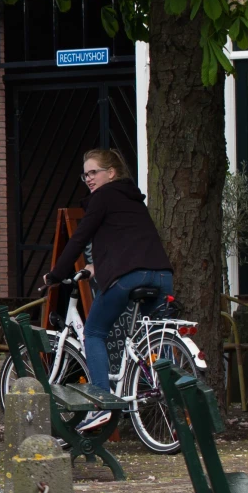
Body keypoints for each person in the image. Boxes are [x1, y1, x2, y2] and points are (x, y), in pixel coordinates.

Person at [47, 147, 175, 398]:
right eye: (85, 175)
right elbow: (126, 240)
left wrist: (55, 274)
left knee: (94, 332)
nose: (89, 179)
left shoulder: (103, 197)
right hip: (161, 275)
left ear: (112, 173)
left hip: (129, 277)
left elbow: (79, 238)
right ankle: (174, 399)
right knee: (157, 339)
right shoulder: (134, 199)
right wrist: (97, 266)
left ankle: (100, 402)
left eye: (94, 172)